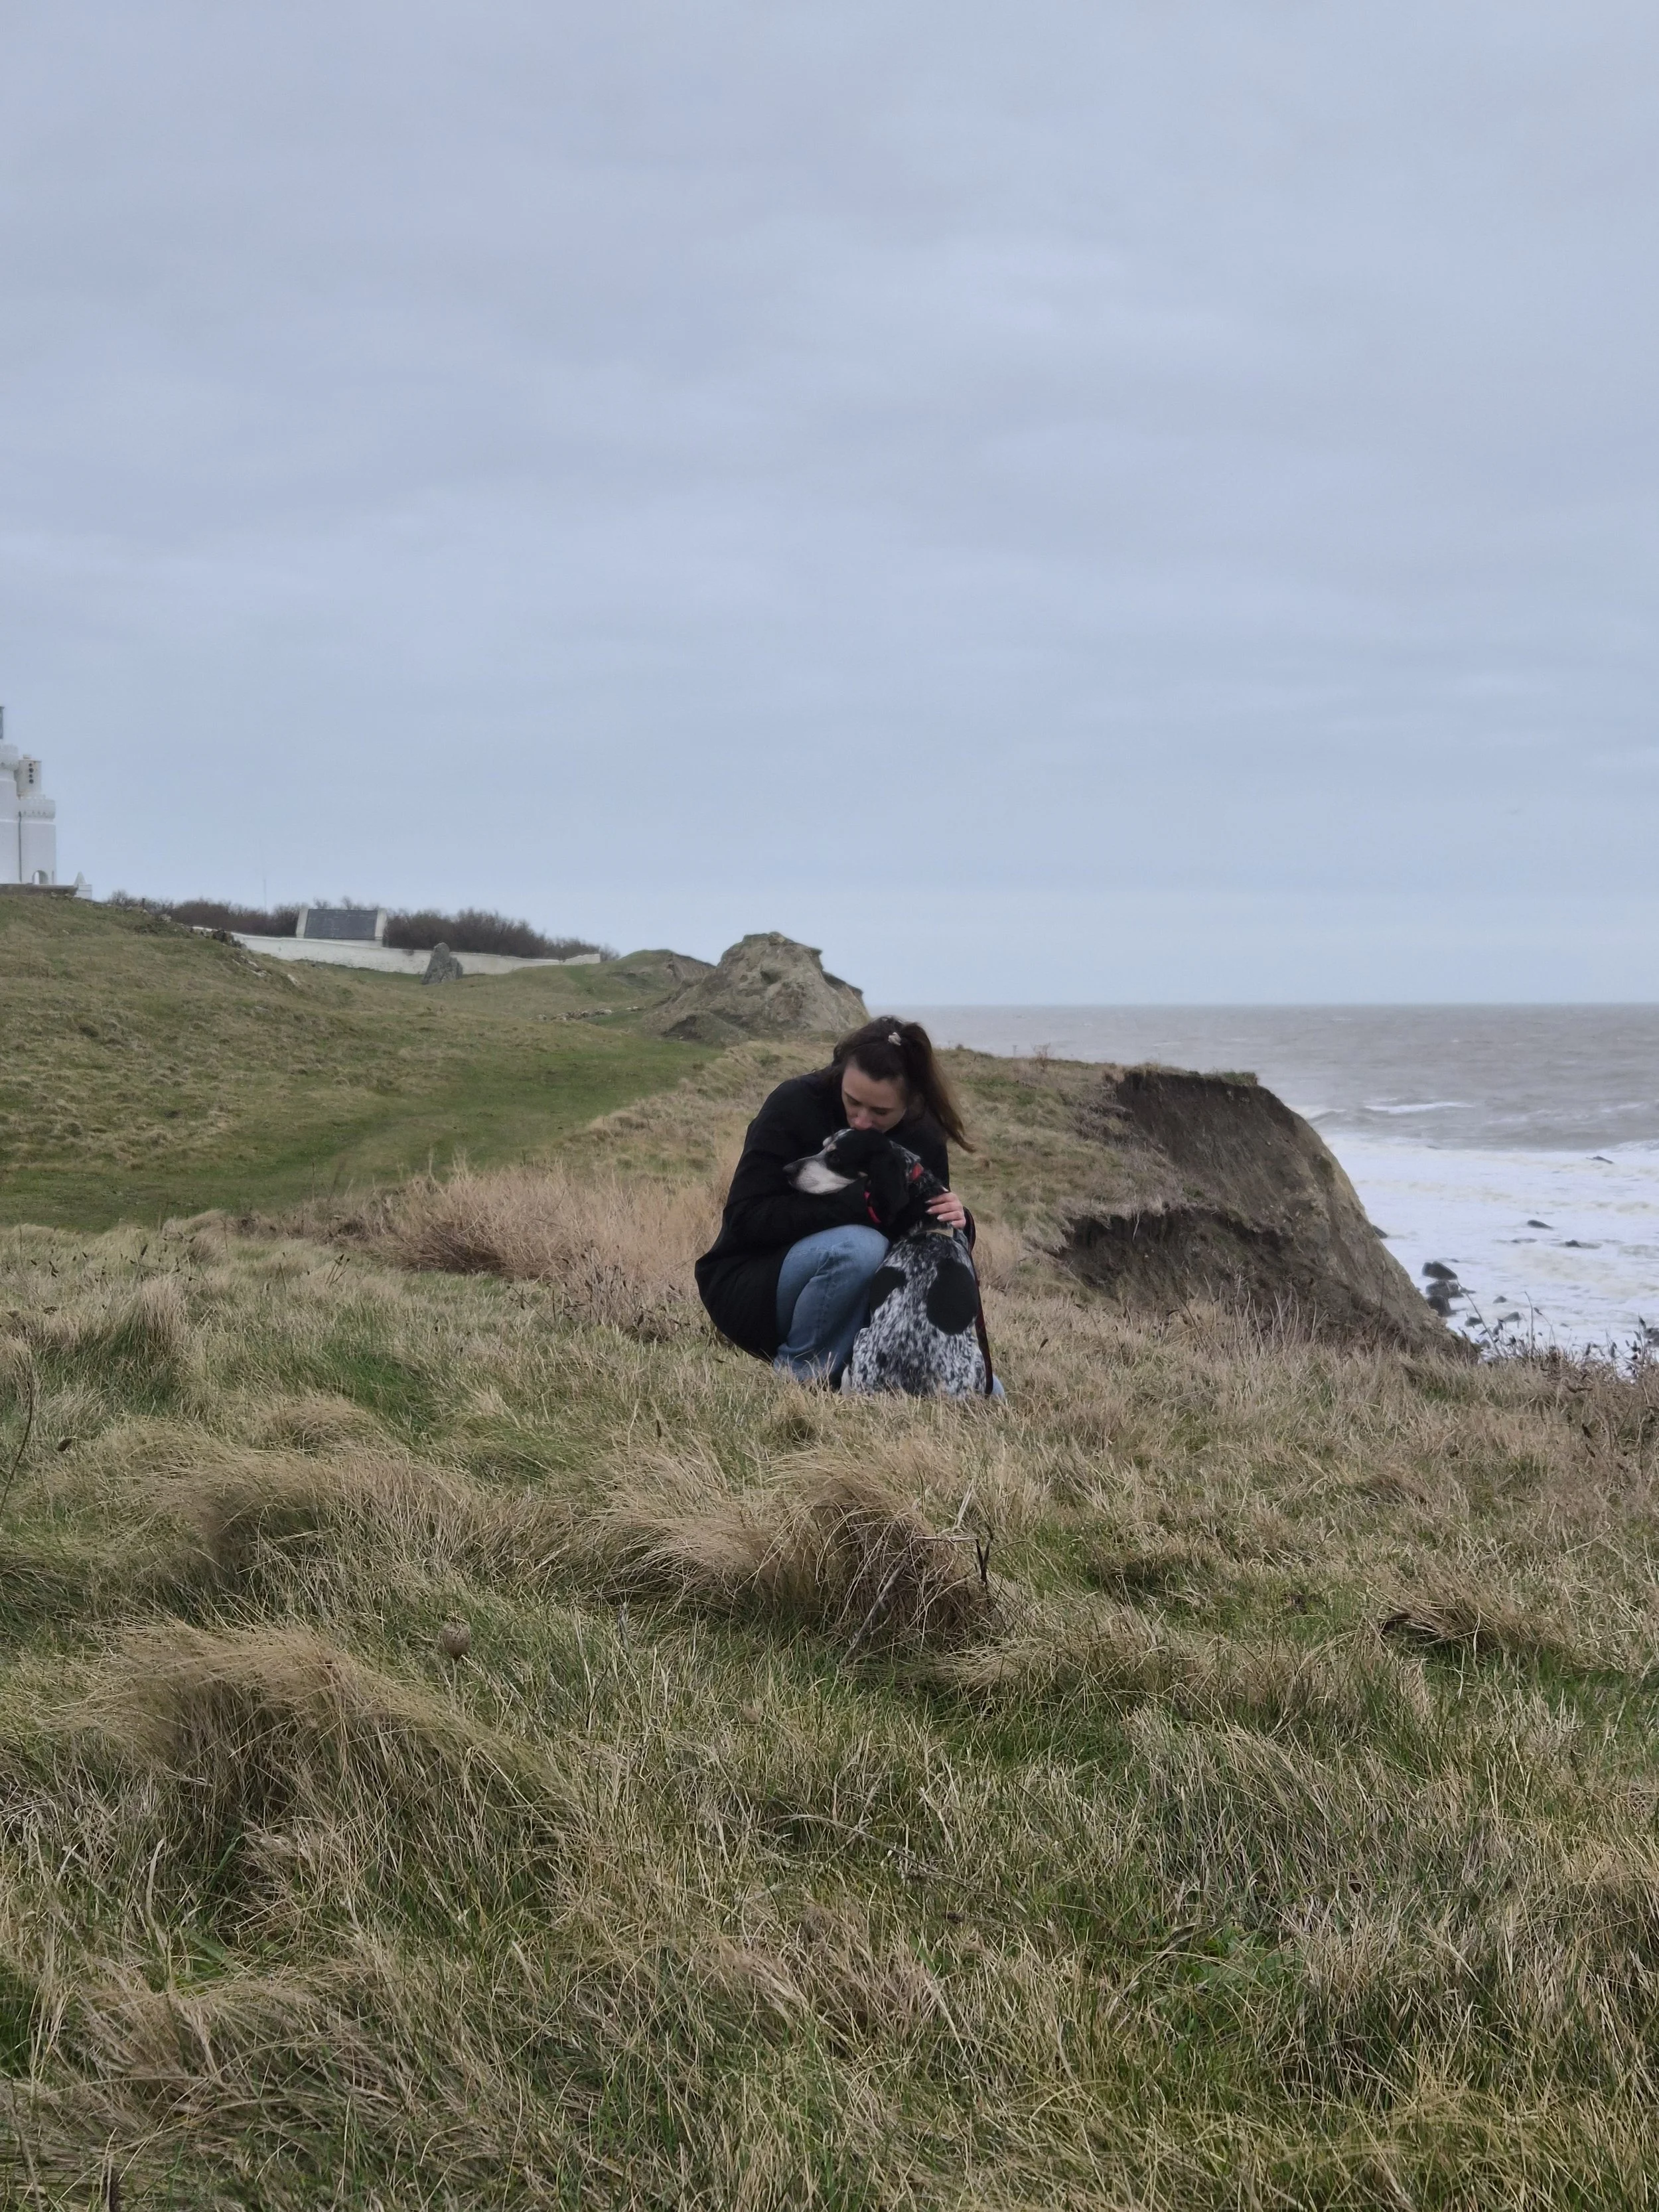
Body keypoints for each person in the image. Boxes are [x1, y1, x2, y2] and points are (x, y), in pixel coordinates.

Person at [695, 1017, 974, 1384]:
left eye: (880, 1113)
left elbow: (920, 1246)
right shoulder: (793, 1104)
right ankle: (804, 1378)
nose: (861, 1121)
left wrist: (958, 1222)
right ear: (841, 1075)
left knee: (987, 1389)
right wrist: (854, 1204)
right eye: (852, 1101)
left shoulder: (923, 1135)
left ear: (911, 1102)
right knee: (860, 1247)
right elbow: (745, 1219)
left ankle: (860, 1373)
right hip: (752, 1285)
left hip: (866, 1301)